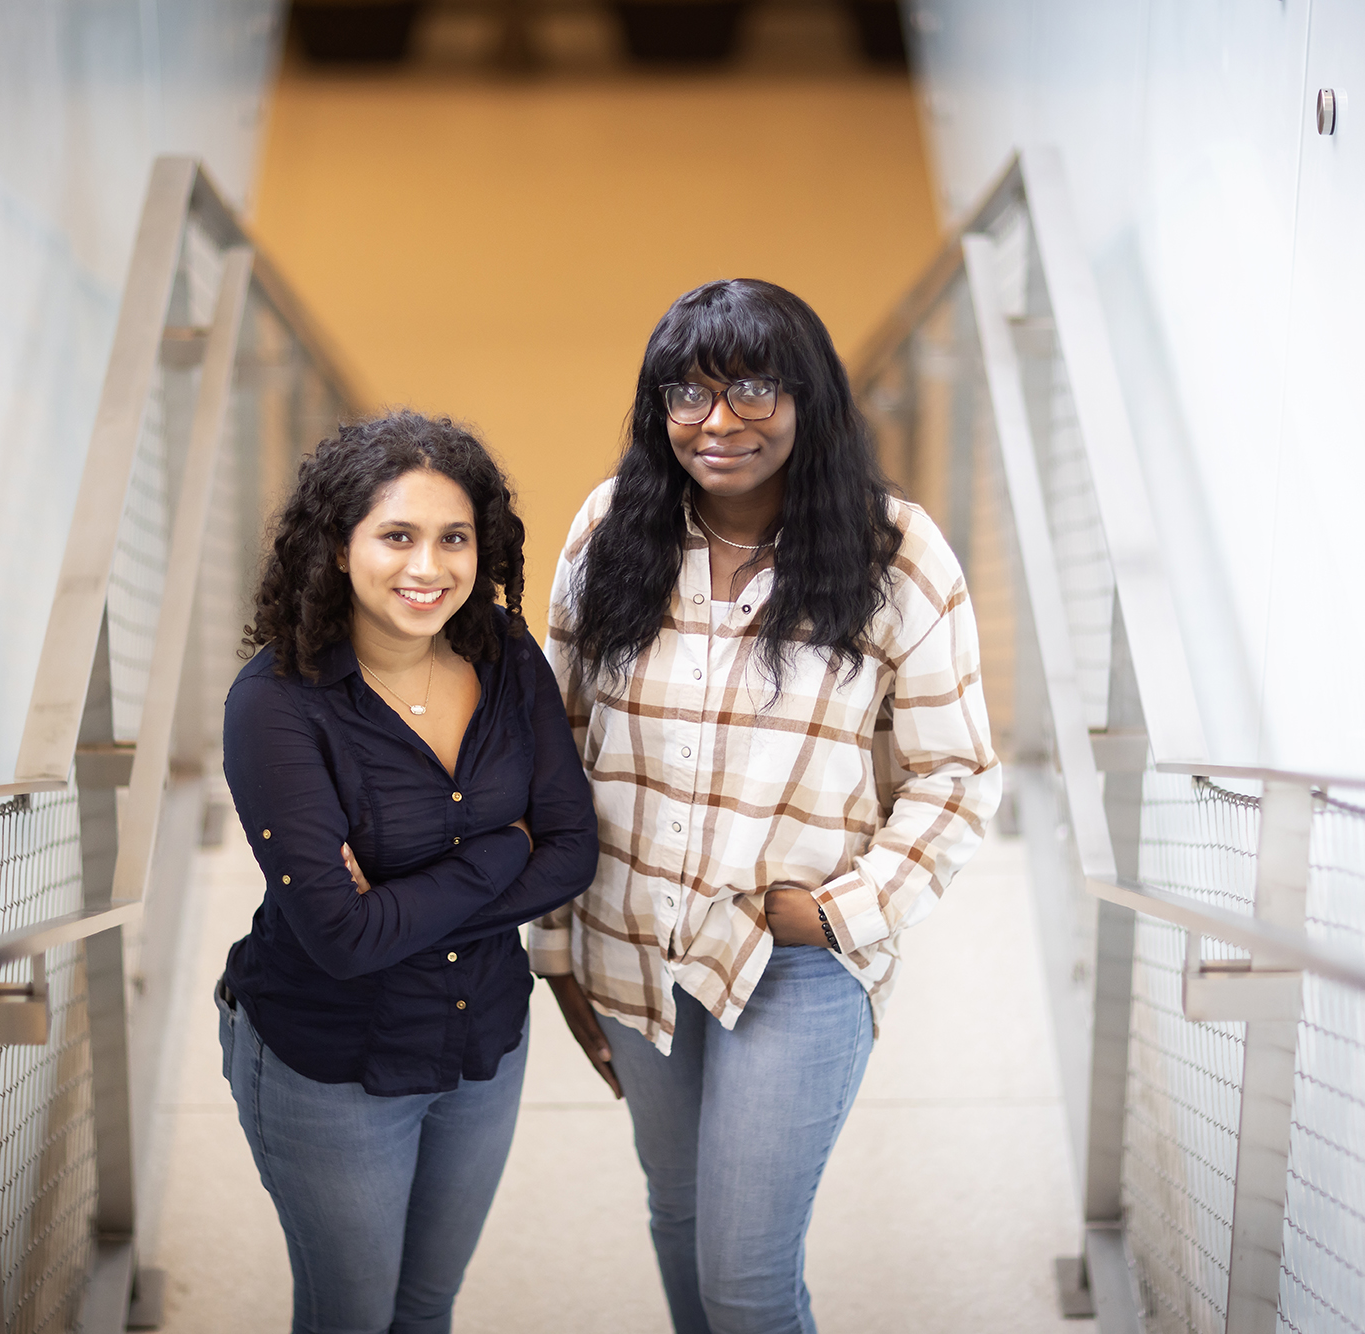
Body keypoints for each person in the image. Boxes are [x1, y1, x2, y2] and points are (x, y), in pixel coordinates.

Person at [532, 279, 1002, 1334]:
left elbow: (957, 772)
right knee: (677, 1212)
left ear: (807, 398)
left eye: (750, 385)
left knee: (746, 1277)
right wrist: (553, 947)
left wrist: (841, 909)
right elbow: (554, 744)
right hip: (627, 939)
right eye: (684, 394)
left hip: (791, 955)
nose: (718, 420)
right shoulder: (610, 527)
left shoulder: (896, 554)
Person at [218, 410, 599, 1334]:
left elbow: (575, 851)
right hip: (330, 1061)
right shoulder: (276, 706)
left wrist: (400, 900)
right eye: (397, 536)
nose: (428, 568)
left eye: (453, 539)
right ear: (337, 548)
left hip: (483, 1050)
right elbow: (344, 943)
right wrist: (507, 848)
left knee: (426, 1308)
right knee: (350, 1316)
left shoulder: (505, 656)